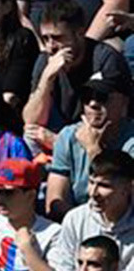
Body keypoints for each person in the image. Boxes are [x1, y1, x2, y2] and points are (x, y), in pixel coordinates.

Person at [21, 0, 132, 144]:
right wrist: (47, 77)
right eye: (45, 38)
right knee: (30, 135)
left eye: (57, 38)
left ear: (80, 33)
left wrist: (60, 142)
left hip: (104, 141)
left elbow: (110, 124)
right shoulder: (46, 60)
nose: (50, 46)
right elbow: (31, 120)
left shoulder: (105, 58)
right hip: (66, 132)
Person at [48, 151, 134, 271]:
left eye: (104, 185)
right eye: (91, 182)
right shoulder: (75, 218)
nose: (93, 193)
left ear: (128, 188)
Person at [47, 77, 134, 217]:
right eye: (86, 98)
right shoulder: (69, 136)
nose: (92, 104)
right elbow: (55, 201)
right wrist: (80, 223)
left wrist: (93, 149)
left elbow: (127, 202)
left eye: (102, 97)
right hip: (77, 221)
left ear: (124, 103)